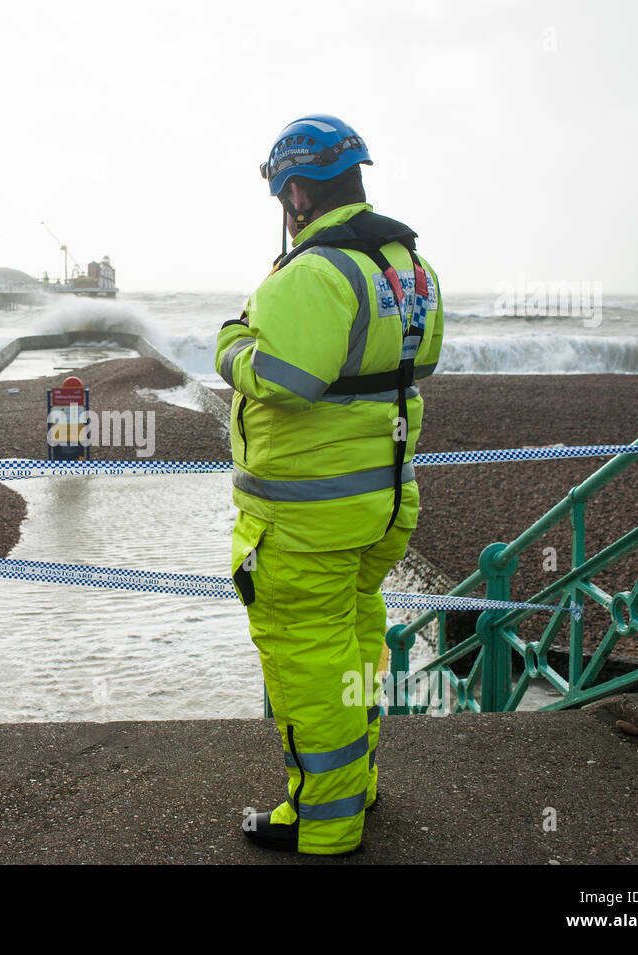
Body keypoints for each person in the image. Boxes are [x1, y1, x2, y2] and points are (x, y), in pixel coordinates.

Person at [216, 115, 445, 855]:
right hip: (380, 506)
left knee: (308, 665)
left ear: (294, 192)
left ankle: (325, 827)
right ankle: (359, 786)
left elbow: (288, 377)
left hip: (303, 522)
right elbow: (422, 361)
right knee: (354, 648)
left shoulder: (312, 272)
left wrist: (232, 345)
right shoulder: (408, 267)